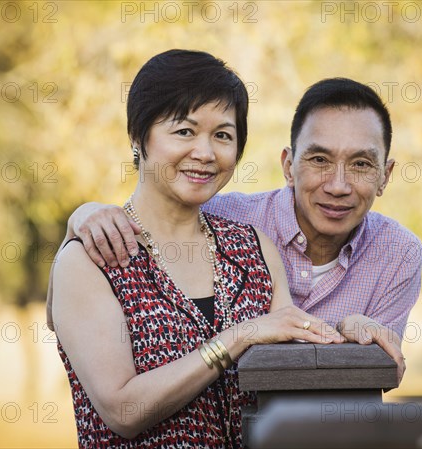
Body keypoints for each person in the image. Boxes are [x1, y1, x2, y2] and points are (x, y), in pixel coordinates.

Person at [49, 49, 344, 448]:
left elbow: (291, 370)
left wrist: (350, 330)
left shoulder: (253, 250)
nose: (205, 154)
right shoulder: (92, 257)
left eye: (222, 135)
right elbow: (122, 411)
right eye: (184, 131)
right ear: (139, 137)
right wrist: (236, 338)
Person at [54, 78, 422, 382]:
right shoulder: (223, 219)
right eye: (319, 160)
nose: (338, 185)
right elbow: (65, 312)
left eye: (361, 164)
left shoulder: (398, 253)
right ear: (288, 165)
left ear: (384, 176)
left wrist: (349, 332)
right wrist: (81, 219)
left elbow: (367, 380)